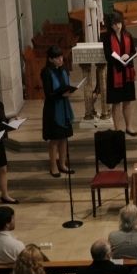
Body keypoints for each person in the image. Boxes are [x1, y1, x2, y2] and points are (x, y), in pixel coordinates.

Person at [40, 45, 75, 178]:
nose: (61, 59)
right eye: (57, 58)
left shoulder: (63, 69)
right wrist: (62, 95)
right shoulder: (46, 72)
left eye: (61, 57)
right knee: (54, 139)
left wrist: (69, 91)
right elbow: (48, 93)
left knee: (64, 138)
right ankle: (53, 166)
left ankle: (63, 164)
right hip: (53, 109)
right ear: (50, 59)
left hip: (64, 107)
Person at [102, 11, 137, 136]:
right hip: (115, 72)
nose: (117, 26)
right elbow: (107, 56)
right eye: (114, 24)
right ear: (110, 25)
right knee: (116, 103)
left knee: (127, 101)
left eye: (118, 23)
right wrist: (118, 58)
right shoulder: (106, 38)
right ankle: (117, 129)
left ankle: (129, 126)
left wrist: (129, 56)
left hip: (127, 72)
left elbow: (133, 51)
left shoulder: (128, 35)